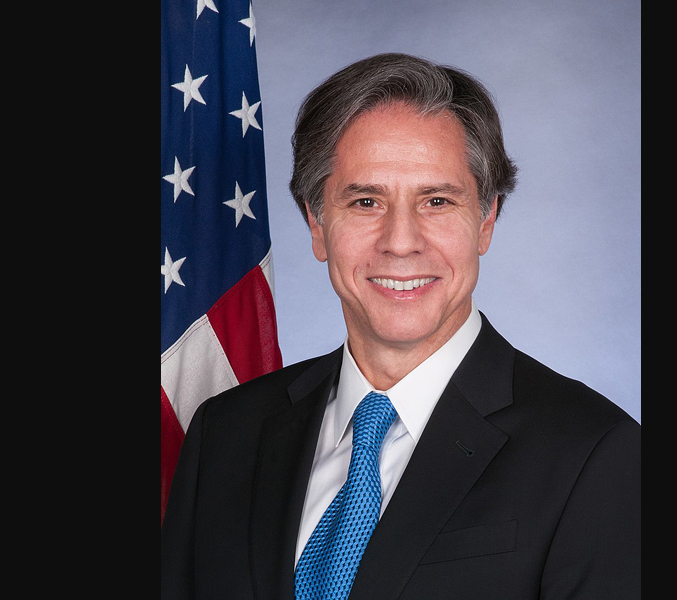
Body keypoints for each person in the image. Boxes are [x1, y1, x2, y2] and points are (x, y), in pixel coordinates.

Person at [161, 53, 641, 600]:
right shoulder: (224, 435)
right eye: (366, 201)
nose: (401, 241)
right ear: (317, 222)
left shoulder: (594, 454)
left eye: (437, 201)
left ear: (486, 220)